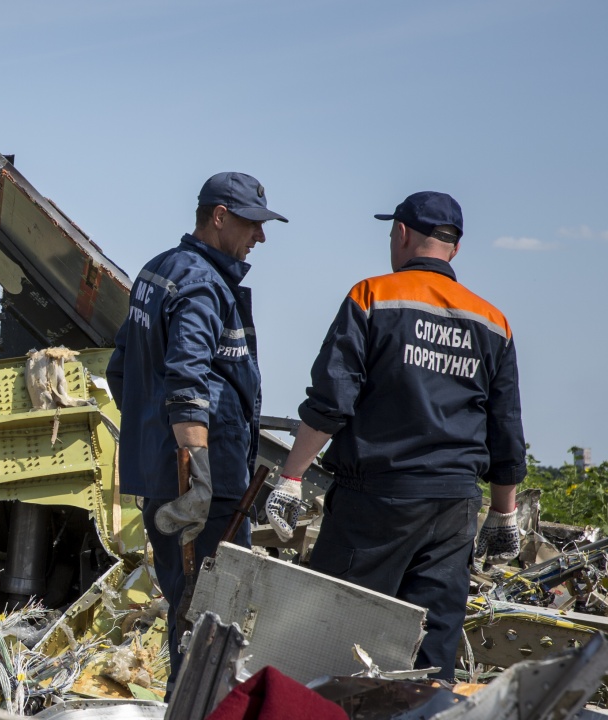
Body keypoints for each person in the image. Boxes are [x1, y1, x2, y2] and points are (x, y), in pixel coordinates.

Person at [264, 192, 525, 681]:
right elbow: (505, 427)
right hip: (453, 509)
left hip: (377, 502)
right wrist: (504, 512)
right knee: (431, 651)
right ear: (455, 248)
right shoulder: (494, 322)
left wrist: (291, 477)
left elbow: (331, 402)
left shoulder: (372, 297)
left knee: (334, 636)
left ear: (402, 234)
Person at [107, 172, 287, 688]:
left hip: (171, 476)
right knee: (215, 618)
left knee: (188, 608)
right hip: (205, 490)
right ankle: (197, 706)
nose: (261, 237)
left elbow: (123, 369)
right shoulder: (203, 284)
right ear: (220, 216)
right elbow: (187, 382)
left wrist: (155, 442)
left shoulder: (159, 270)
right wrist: (200, 479)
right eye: (253, 224)